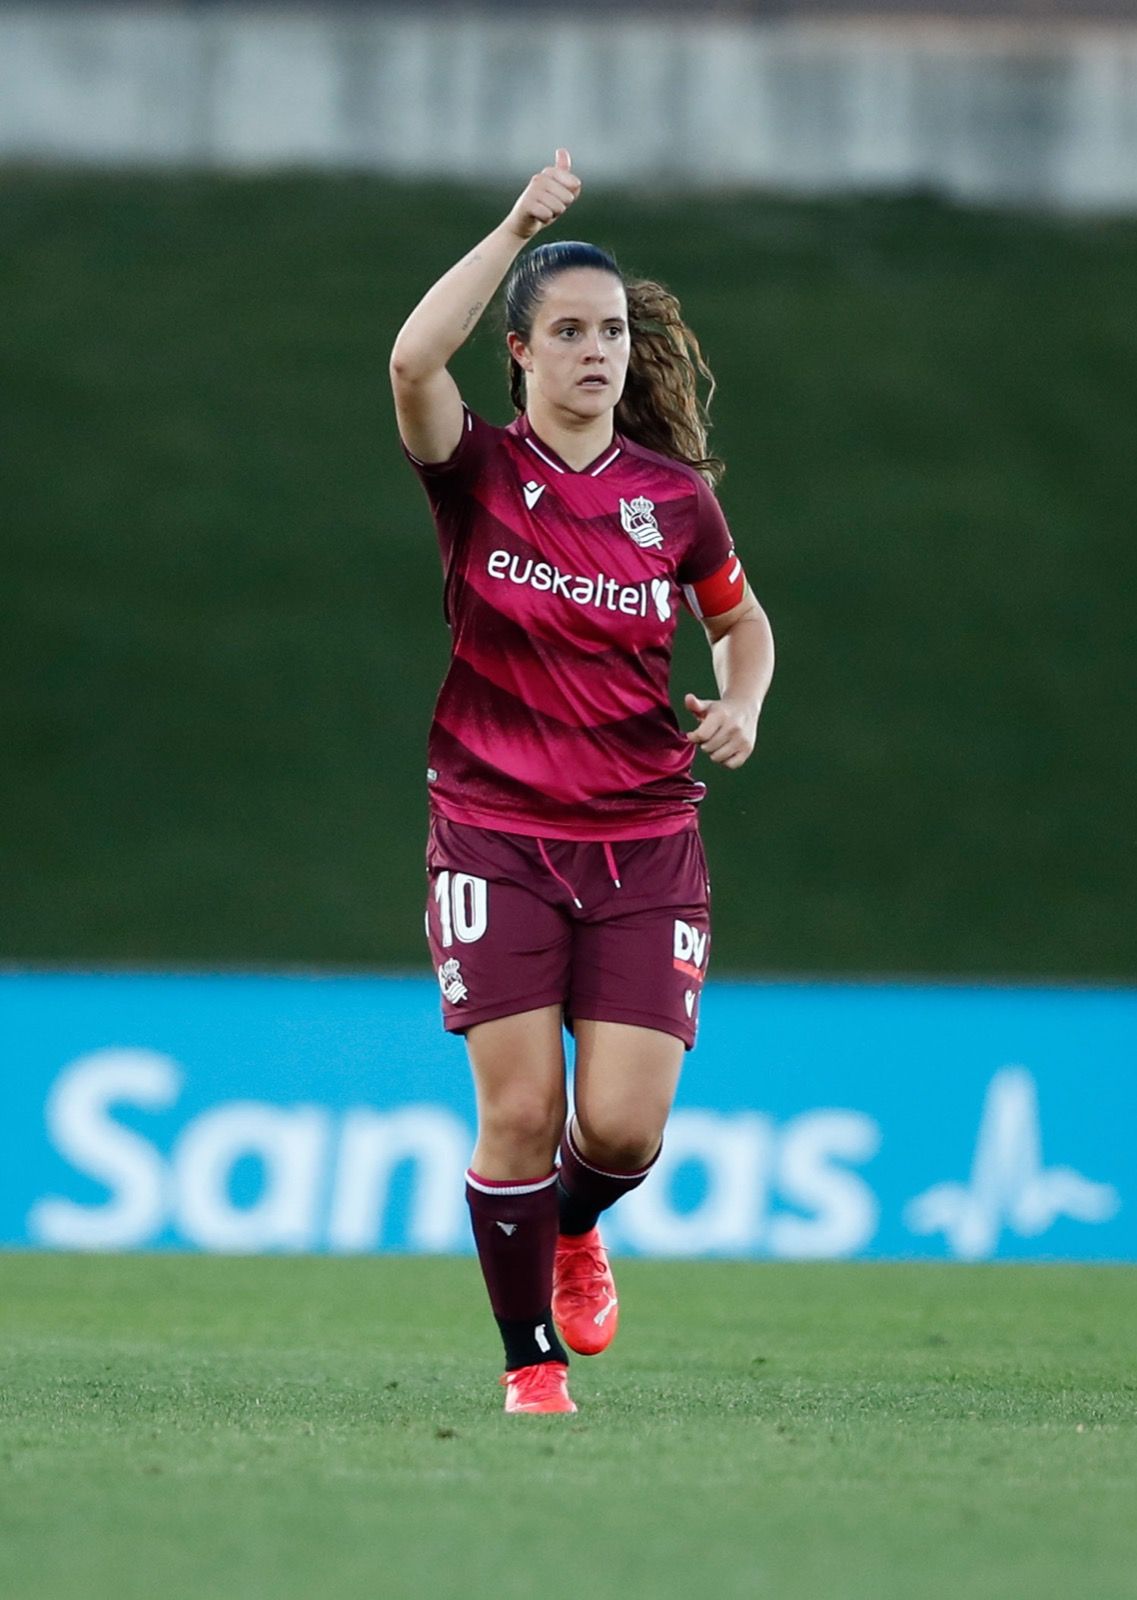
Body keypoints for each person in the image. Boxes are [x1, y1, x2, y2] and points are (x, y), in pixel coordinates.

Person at [389, 149, 774, 1414]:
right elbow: (409, 363)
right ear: (522, 352)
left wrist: (745, 700)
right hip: (493, 832)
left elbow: (742, 624)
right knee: (515, 1116)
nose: (596, 350)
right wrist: (513, 225)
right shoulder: (477, 472)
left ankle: (575, 1224)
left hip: (644, 842)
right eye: (567, 331)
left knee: (617, 1131)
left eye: (609, 330)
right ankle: (528, 1367)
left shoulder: (675, 504)